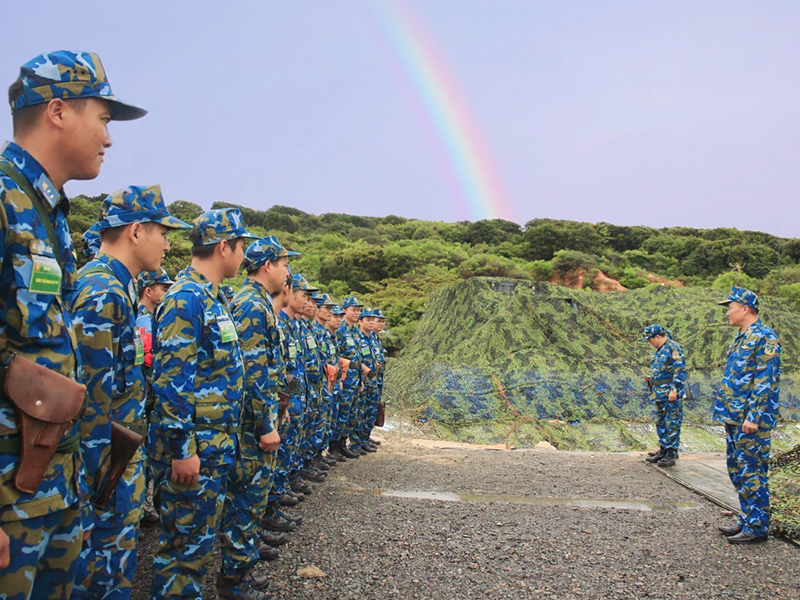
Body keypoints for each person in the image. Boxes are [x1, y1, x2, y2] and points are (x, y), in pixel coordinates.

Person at [0, 50, 145, 598]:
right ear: (58, 111)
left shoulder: (47, 211)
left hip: (50, 487)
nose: (109, 138)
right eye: (104, 119)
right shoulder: (4, 198)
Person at [70, 185, 189, 598]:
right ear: (136, 231)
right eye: (163, 232)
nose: (168, 244)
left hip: (114, 467)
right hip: (100, 474)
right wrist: (94, 490)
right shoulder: (102, 291)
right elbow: (85, 400)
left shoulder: (116, 287)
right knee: (97, 580)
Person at [147, 208, 257, 598]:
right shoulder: (186, 298)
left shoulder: (211, 297)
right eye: (241, 246)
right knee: (183, 554)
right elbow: (172, 382)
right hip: (194, 451)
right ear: (224, 247)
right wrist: (182, 449)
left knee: (197, 549)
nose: (244, 255)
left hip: (214, 447)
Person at [218, 236, 297, 599]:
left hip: (259, 421)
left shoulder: (258, 302)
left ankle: (242, 568)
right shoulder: (251, 305)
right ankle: (233, 580)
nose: (287, 272)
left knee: (253, 498)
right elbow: (252, 371)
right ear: (267, 266)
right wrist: (265, 424)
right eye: (284, 264)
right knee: (246, 501)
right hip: (251, 428)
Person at [715, 287, 781, 545]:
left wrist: (753, 417)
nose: (728, 312)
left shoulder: (765, 338)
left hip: (751, 421)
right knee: (738, 471)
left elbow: (765, 381)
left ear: (744, 308)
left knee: (752, 472)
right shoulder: (742, 337)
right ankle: (748, 518)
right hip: (735, 418)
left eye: (730, 307)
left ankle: (757, 527)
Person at [642, 324, 686, 468]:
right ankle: (664, 448)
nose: (650, 343)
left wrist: (675, 389)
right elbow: (662, 369)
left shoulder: (673, 348)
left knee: (671, 422)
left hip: (669, 393)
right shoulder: (660, 350)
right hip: (659, 392)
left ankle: (671, 453)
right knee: (661, 421)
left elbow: (679, 370)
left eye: (650, 340)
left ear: (658, 337)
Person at [335, 296, 365, 458]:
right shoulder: (341, 330)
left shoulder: (354, 331)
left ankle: (343, 443)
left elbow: (357, 357)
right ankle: (335, 446)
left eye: (358, 310)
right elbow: (337, 356)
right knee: (342, 412)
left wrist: (360, 379)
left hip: (355, 377)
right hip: (345, 378)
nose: (356, 313)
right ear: (344, 310)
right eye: (353, 309)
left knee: (350, 413)